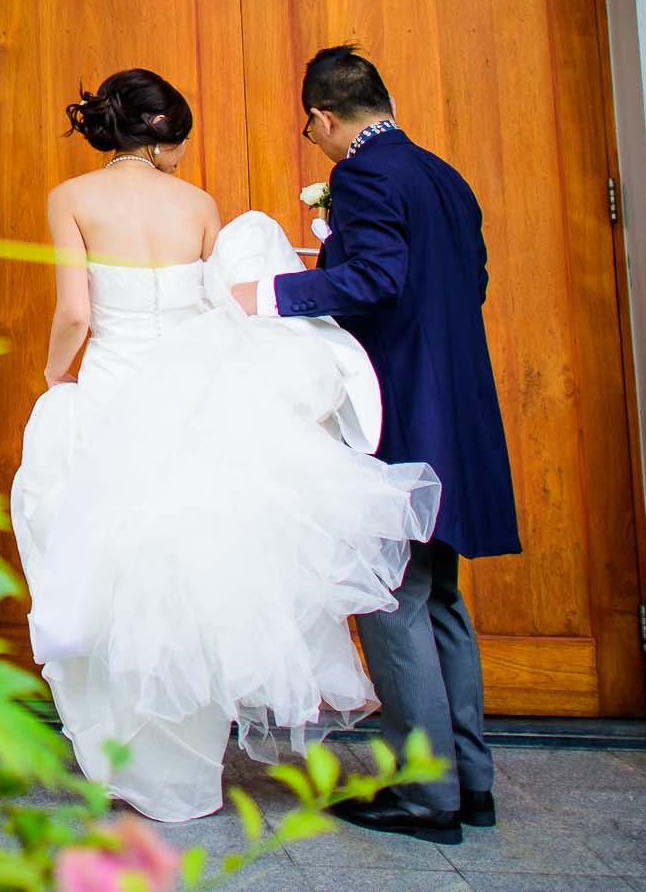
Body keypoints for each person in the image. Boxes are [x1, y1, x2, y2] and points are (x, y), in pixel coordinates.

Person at [10, 68, 439, 825]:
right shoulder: (200, 206)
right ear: (163, 137)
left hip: (112, 393)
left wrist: (53, 373)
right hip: (190, 400)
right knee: (192, 571)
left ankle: (127, 756)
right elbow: (224, 310)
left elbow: (75, 312)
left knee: (110, 564)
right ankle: (189, 771)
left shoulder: (71, 197)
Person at [230, 46, 521, 847]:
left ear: (322, 117)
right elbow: (466, 283)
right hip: (459, 408)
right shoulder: (443, 176)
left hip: (404, 412)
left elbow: (378, 279)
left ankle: (424, 795)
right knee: (440, 596)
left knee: (393, 599)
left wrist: (270, 293)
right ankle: (470, 782)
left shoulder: (363, 175)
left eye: (310, 130)